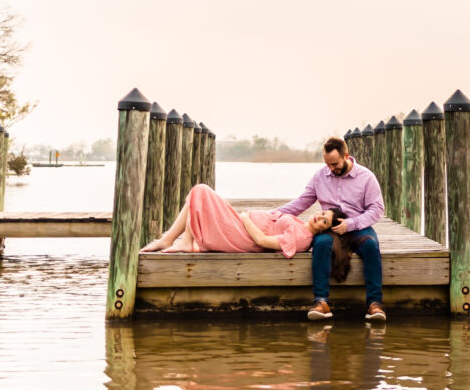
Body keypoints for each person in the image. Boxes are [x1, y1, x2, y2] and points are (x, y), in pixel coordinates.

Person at [276, 136, 386, 322]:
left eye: (334, 164)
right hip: (329, 228)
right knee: (321, 244)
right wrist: (273, 214)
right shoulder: (320, 176)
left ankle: (374, 303)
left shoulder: (366, 177)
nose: (331, 169)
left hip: (357, 225)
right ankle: (321, 301)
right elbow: (302, 202)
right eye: (327, 164)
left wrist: (351, 224)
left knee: (370, 246)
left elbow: (377, 210)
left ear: (346, 156)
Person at [142, 183, 344, 258]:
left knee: (201, 191)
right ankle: (176, 240)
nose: (319, 217)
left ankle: (178, 241)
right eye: (323, 213)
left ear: (324, 231)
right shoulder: (301, 225)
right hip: (239, 227)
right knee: (197, 195)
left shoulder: (302, 238)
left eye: (323, 222)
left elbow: (263, 241)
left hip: (242, 237)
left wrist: (247, 219)